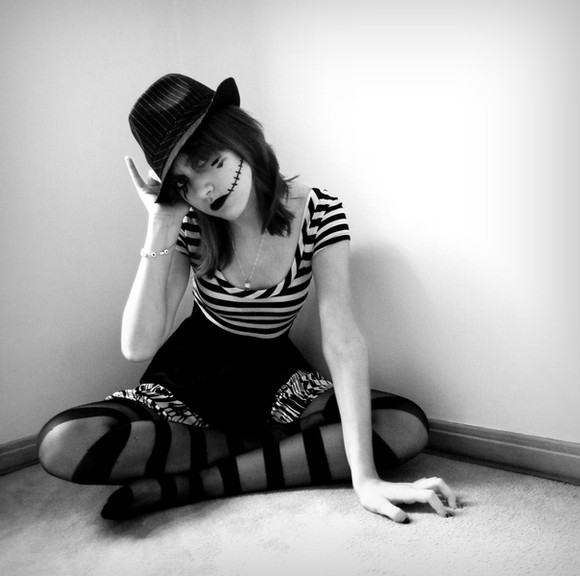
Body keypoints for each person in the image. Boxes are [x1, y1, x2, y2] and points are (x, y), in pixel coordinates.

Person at [37, 74, 458, 522]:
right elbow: (137, 346)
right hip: (192, 376)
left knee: (403, 424)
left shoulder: (320, 212)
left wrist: (366, 478)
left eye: (210, 162)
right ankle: (267, 448)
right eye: (182, 182)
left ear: (243, 140)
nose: (203, 189)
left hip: (274, 378)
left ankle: (193, 484)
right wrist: (161, 223)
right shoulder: (190, 225)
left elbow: (342, 339)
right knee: (64, 442)